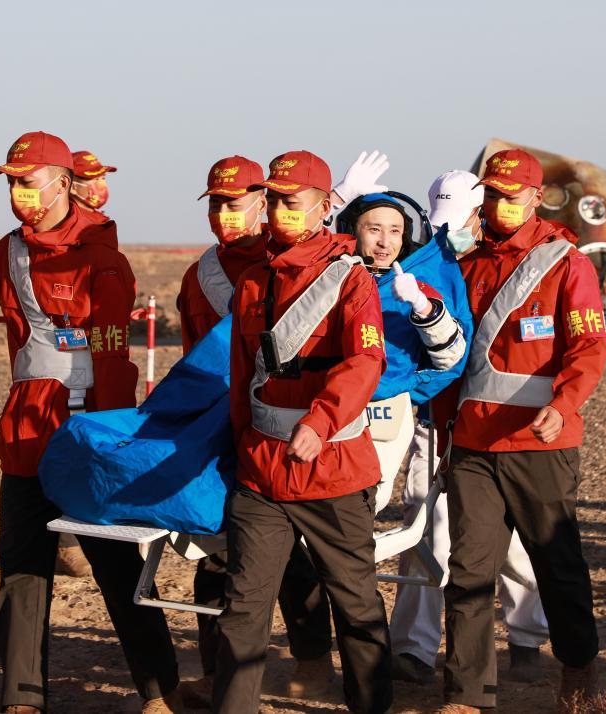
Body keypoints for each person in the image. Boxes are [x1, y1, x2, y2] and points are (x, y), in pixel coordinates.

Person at [0, 132, 183, 713]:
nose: (18, 194)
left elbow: (112, 358)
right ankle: (22, 698)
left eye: (27, 182)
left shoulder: (103, 261)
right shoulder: (6, 253)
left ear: (62, 183)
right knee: (21, 566)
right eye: (11, 183)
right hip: (25, 429)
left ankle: (160, 691)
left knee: (115, 565)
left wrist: (110, 440)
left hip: (87, 432)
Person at [214, 150, 392, 714]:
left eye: (290, 200)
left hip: (334, 471)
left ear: (322, 207)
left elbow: (365, 362)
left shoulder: (352, 279)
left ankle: (371, 704)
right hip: (262, 475)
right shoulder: (252, 282)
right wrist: (240, 447)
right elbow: (242, 378)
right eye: (271, 199)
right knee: (244, 606)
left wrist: (320, 420)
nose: (278, 210)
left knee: (355, 603)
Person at [431, 149, 606, 713]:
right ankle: (467, 696)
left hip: (541, 444)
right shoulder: (464, 266)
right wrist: (444, 437)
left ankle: (578, 668)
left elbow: (589, 346)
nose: (498, 204)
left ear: (536, 198)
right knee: (468, 572)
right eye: (491, 194)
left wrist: (566, 402)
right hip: (473, 444)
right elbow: (451, 363)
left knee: (557, 566)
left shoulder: (565, 264)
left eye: (510, 195)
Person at [174, 156, 334, 707]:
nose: (224, 214)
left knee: (285, 551)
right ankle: (216, 673)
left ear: (262, 203)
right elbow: (191, 358)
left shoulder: (284, 262)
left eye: (234, 203)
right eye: (215, 204)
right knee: (215, 549)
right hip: (218, 429)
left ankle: (312, 655)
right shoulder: (199, 276)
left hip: (279, 428)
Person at [389, 170, 550, 687]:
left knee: (512, 535)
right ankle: (414, 648)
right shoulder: (418, 263)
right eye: (442, 224)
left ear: (480, 216)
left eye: (460, 222)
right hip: (433, 420)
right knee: (424, 529)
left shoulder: (506, 265)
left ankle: (526, 638)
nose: (451, 233)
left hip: (495, 423)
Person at [336, 191, 468, 515]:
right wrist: (337, 196)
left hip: (387, 411)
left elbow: (451, 358)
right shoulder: (330, 278)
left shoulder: (416, 282)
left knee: (363, 505)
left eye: (394, 231)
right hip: (329, 405)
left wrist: (423, 307)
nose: (385, 241)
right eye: (374, 229)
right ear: (352, 231)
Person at [52, 149, 120, 578]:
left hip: (105, 354)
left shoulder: (101, 229)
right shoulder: (66, 233)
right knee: (72, 443)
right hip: (70, 360)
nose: (99, 187)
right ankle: (68, 543)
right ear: (67, 185)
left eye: (102, 178)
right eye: (88, 180)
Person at [70, 150, 117, 217]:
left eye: (103, 178)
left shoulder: (99, 219)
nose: (101, 183)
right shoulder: (73, 221)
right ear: (72, 187)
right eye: (96, 179)